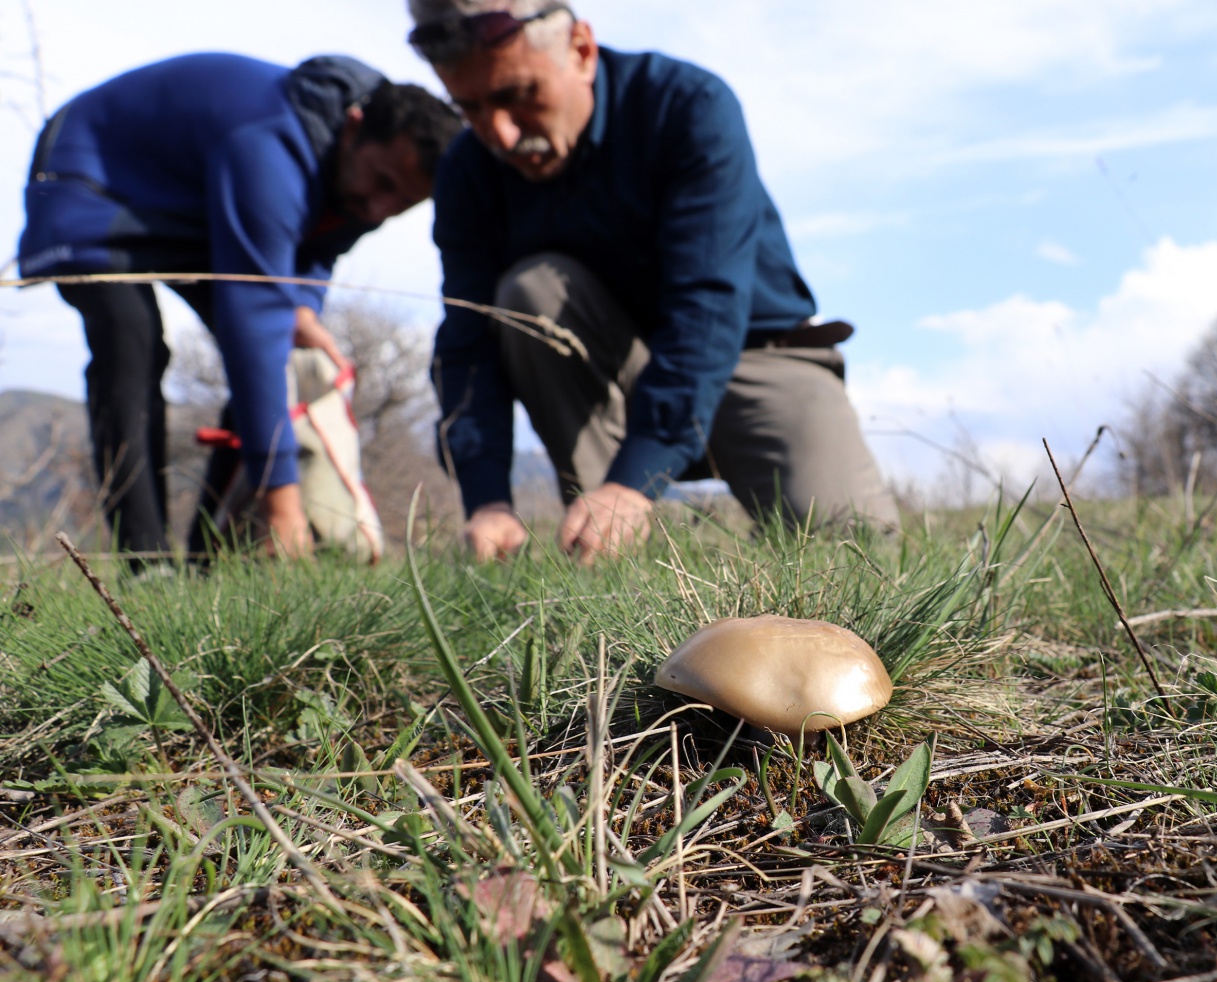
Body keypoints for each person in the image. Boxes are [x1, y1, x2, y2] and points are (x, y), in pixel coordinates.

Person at [407, 0, 899, 563]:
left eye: (519, 94)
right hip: (617, 375)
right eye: (469, 108)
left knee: (854, 556)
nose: (500, 133)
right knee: (528, 295)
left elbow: (706, 306)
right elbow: (469, 338)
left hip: (755, 358)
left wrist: (635, 477)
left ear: (581, 51)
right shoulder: (468, 170)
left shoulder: (687, 106)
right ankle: (607, 557)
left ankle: (630, 501)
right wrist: (487, 497)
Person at [17, 53, 463, 567]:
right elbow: (254, 324)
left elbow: (317, 250)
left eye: (402, 203)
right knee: (131, 338)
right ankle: (147, 564)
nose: (380, 208)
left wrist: (303, 309)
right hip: (90, 173)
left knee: (283, 355)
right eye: (382, 183)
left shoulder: (363, 177)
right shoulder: (271, 148)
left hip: (193, 208)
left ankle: (207, 564)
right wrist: (281, 498)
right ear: (354, 127)